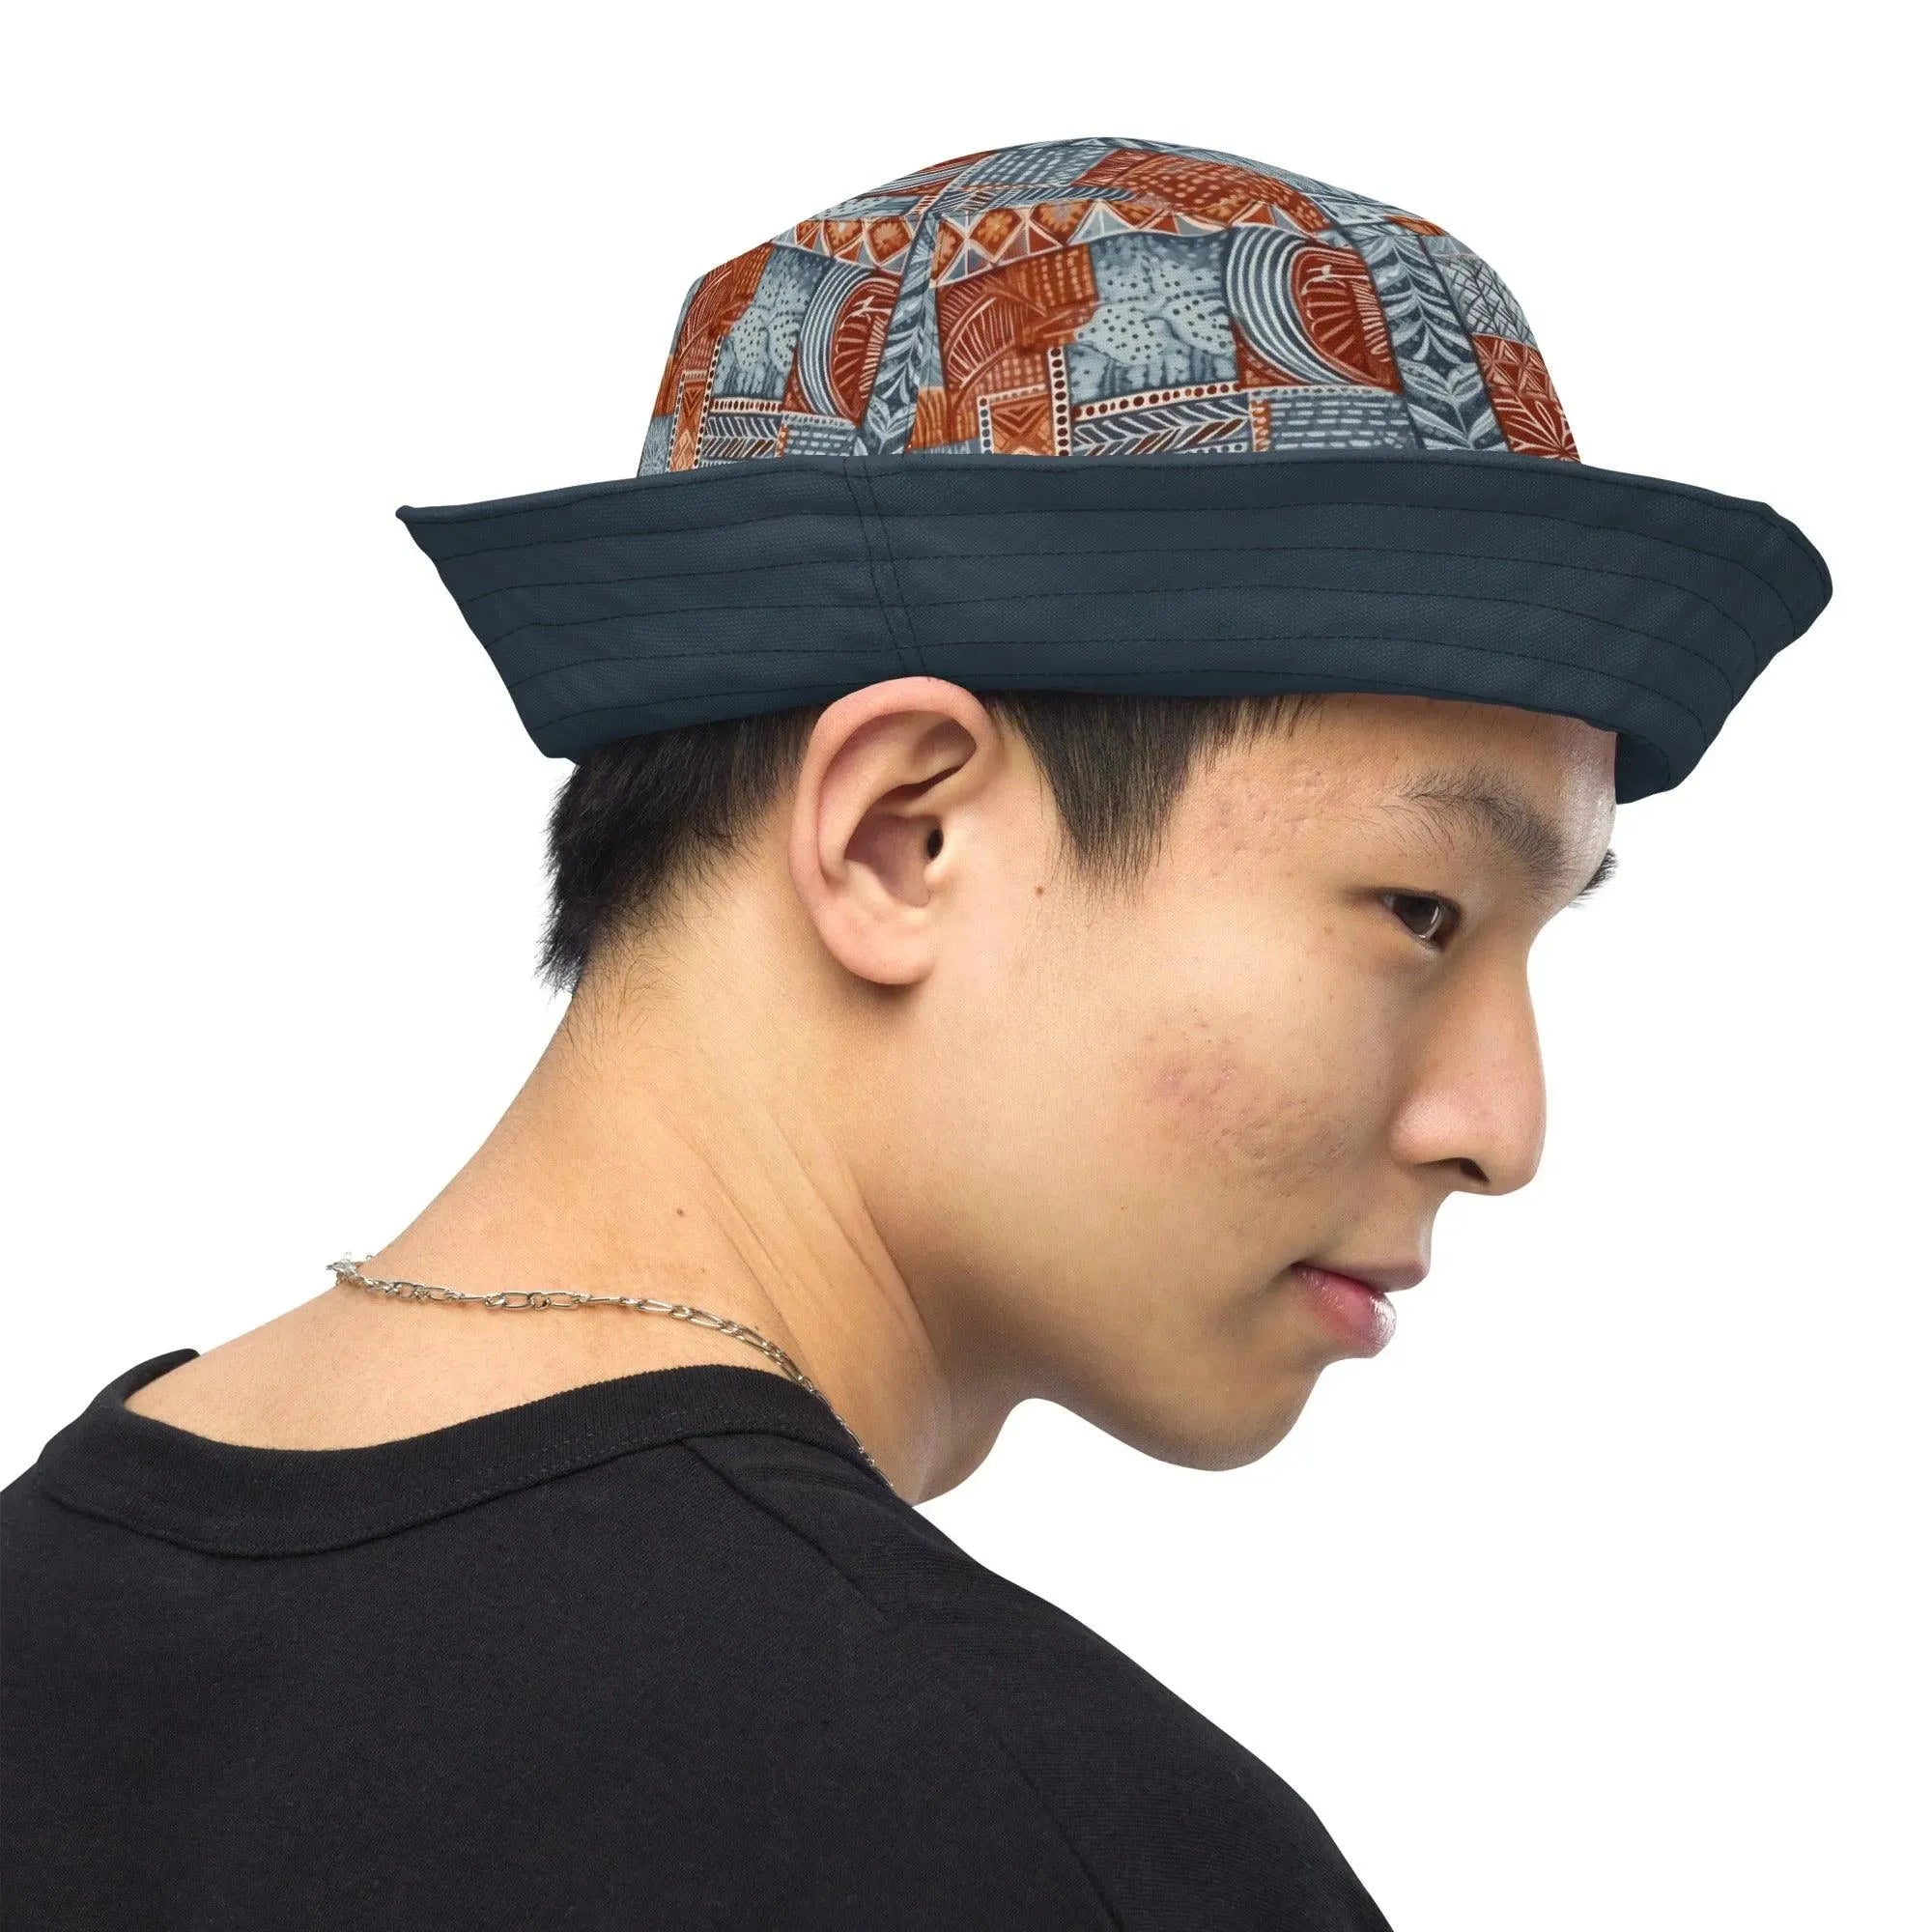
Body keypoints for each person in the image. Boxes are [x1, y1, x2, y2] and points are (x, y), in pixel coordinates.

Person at [0, 135, 1831, 1929]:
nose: (1504, 1128)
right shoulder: (1057, 1846)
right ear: (902, 837)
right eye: (1421, 912)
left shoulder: (49, 1601)